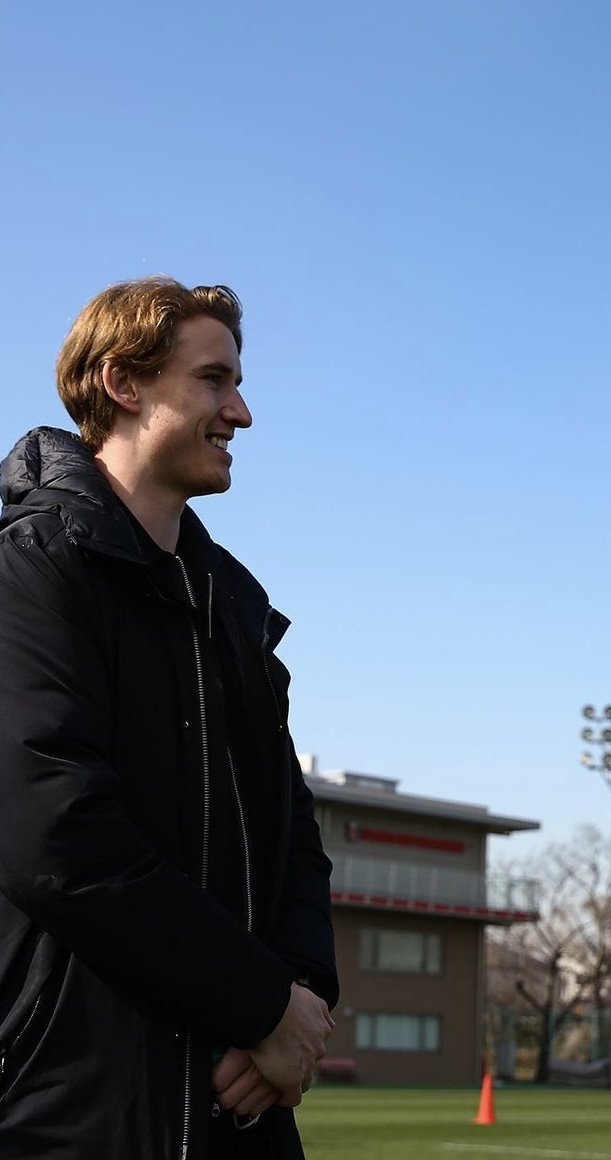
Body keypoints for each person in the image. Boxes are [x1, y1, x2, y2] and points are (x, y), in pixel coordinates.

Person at [0, 277, 339, 1159]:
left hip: (246, 1103)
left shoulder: (234, 604)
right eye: (213, 380)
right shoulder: (29, 573)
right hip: (79, 1113)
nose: (242, 413)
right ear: (123, 383)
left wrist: (298, 1000)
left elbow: (291, 830)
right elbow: (57, 836)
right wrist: (259, 1002)